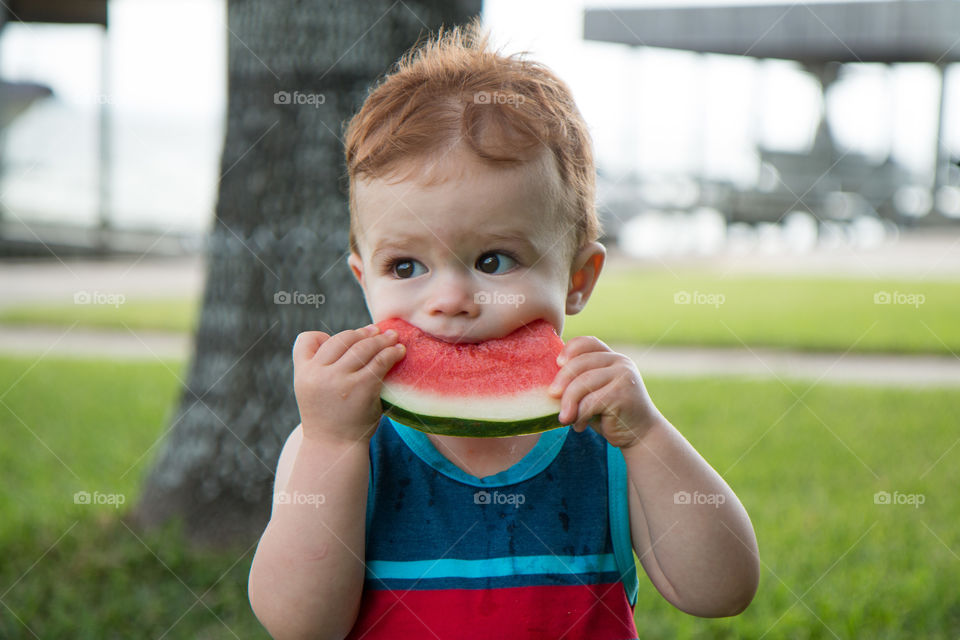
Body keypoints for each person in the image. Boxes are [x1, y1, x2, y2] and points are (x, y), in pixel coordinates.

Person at [248, 18, 759, 639]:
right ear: (363, 279)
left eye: (494, 260)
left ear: (579, 277)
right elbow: (300, 626)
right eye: (405, 266)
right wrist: (331, 444)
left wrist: (647, 437)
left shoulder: (605, 441)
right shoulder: (338, 446)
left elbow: (723, 590)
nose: (452, 299)